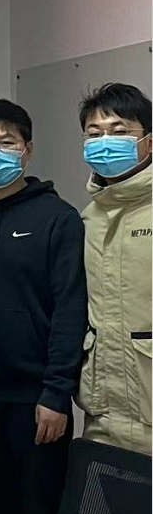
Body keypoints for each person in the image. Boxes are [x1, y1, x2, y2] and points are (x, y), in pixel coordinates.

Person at [0, 99, 87, 514]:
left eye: (7, 143)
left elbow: (70, 310)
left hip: (35, 403)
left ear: (27, 150)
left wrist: (56, 393)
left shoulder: (58, 219)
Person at [77, 83, 152, 455]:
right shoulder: (88, 218)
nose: (105, 142)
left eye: (119, 131)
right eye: (94, 134)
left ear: (148, 142)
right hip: (103, 416)